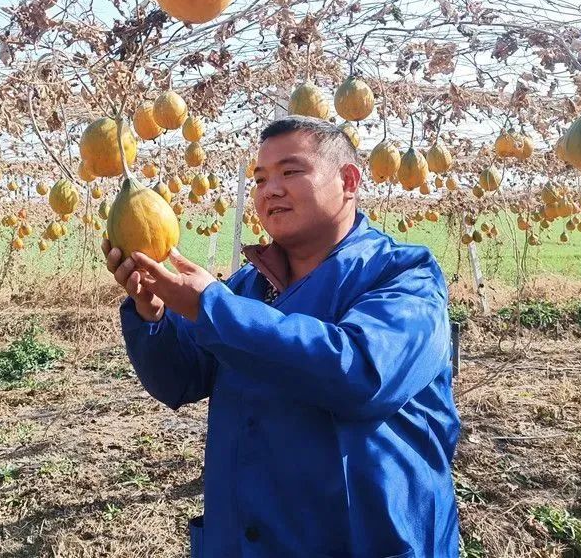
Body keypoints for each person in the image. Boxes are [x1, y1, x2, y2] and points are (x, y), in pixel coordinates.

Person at [102, 116, 460, 558]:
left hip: (365, 540)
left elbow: (361, 373)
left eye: (290, 172)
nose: (270, 189)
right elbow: (178, 380)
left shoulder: (404, 276)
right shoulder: (247, 287)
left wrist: (211, 308)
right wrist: (150, 311)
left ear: (348, 181)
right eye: (260, 178)